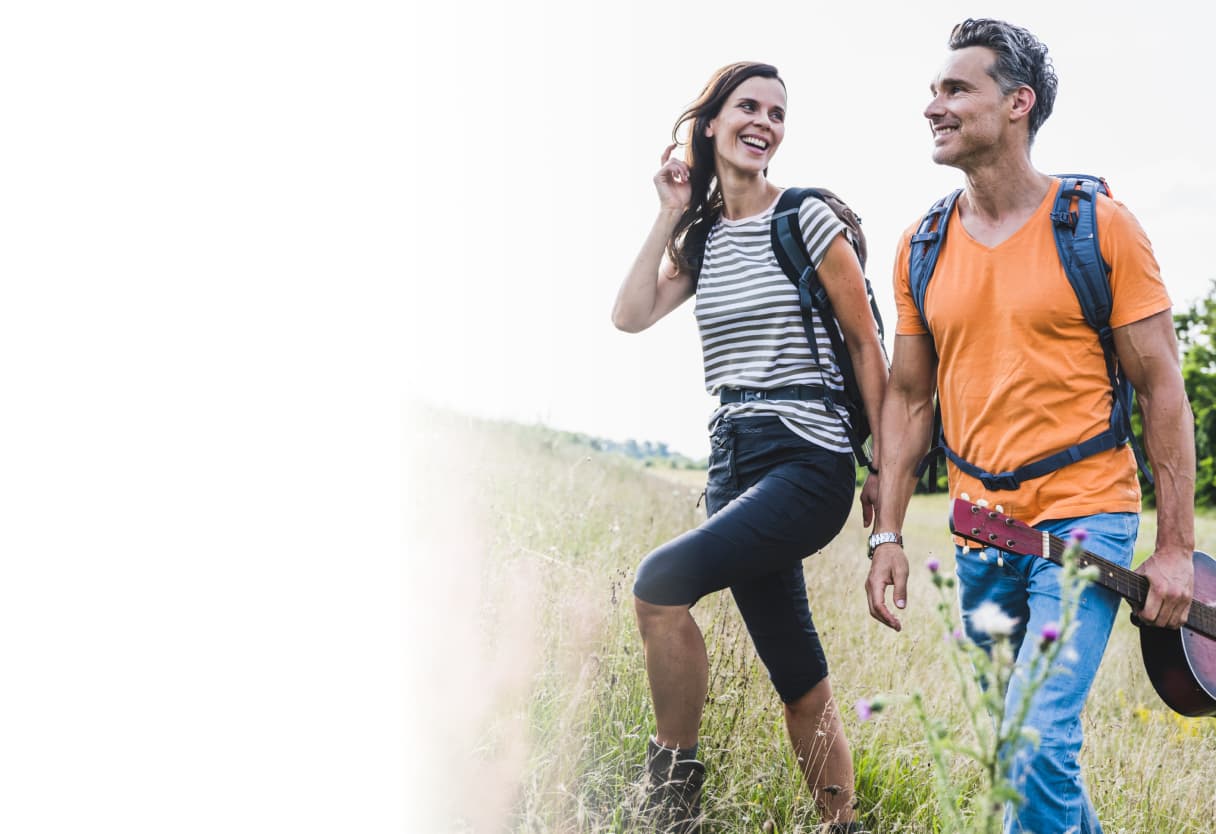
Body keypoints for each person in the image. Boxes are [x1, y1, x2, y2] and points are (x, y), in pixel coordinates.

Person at [864, 18, 1196, 834]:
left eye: (955, 89)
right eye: (933, 90)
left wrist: (1177, 546)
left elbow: (1161, 391)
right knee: (1019, 741)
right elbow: (909, 399)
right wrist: (886, 533)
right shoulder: (922, 245)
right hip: (983, 534)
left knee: (1034, 744)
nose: (932, 106)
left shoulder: (1098, 226)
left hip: (1086, 516)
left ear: (1019, 103)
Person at [612, 61, 886, 833]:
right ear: (710, 123)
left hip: (807, 458)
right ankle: (843, 826)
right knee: (795, 670)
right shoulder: (700, 238)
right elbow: (629, 316)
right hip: (732, 458)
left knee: (659, 585)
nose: (764, 121)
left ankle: (672, 796)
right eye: (748, 107)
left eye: (777, 112)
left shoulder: (804, 219)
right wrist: (668, 211)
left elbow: (869, 351)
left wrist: (885, 475)